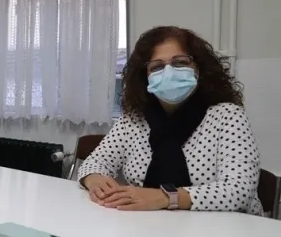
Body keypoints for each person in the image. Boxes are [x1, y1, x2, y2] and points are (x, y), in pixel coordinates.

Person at [78, 26, 261, 214]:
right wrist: (94, 179)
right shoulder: (133, 120)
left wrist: (166, 197)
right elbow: (95, 162)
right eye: (157, 67)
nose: (169, 73)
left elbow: (239, 190)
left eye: (180, 63)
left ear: (199, 69)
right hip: (148, 224)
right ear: (145, 76)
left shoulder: (228, 116)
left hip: (222, 227)